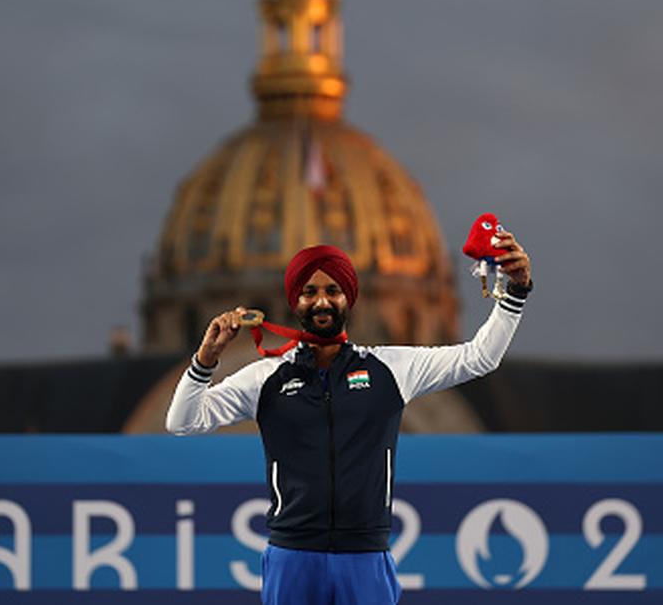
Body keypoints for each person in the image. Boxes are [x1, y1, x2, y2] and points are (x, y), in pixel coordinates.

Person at [165, 231, 532, 605]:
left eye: (332, 290)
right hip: (292, 557)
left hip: (365, 557)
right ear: (296, 302)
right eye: (309, 292)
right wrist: (205, 360)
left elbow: (481, 357)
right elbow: (182, 421)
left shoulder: (390, 368)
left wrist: (515, 292)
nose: (321, 300)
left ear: (348, 299)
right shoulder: (266, 377)